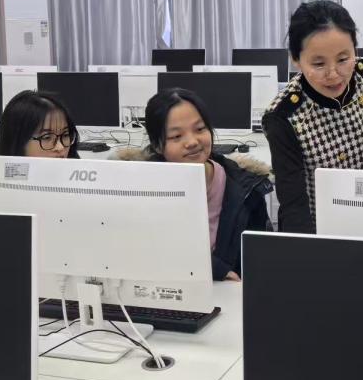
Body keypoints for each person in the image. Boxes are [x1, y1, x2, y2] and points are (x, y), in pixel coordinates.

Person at [114, 88, 272, 282]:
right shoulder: (140, 190)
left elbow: (261, 259)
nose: (192, 142)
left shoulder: (246, 188)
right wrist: (214, 268)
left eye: (200, 129)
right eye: (176, 136)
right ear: (157, 145)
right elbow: (142, 252)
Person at [263, 0, 363, 234]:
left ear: (355, 49)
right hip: (321, 229)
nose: (333, 74)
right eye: (318, 64)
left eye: (343, 59)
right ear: (295, 59)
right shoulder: (284, 116)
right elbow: (294, 204)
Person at [0, 90, 80, 212]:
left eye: (65, 135)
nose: (60, 147)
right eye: (47, 137)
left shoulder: (82, 197)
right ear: (18, 143)